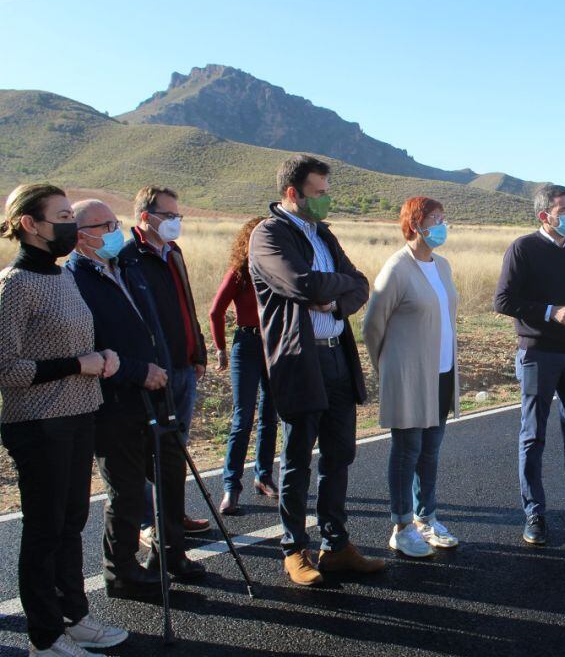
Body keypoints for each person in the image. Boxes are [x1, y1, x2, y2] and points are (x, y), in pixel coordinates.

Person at [0, 185, 126, 657]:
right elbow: (6, 367)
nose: (70, 225)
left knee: (72, 522)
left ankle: (74, 616)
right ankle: (45, 644)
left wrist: (103, 360)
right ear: (30, 224)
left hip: (78, 415)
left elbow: (77, 344)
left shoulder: (60, 276)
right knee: (45, 530)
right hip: (39, 423)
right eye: (61, 216)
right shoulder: (15, 285)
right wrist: (81, 363)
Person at [249, 154, 385, 586]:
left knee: (339, 454)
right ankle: (294, 549)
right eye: (319, 193)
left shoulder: (323, 233)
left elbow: (360, 283)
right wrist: (333, 287)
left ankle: (337, 544)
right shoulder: (268, 235)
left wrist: (336, 297)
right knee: (296, 459)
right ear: (293, 193)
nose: (327, 201)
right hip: (300, 360)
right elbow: (300, 284)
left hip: (336, 356)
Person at [69, 199, 207, 594]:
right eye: (105, 225)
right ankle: (122, 571)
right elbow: (94, 347)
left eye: (115, 222)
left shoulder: (122, 266)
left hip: (155, 388)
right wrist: (138, 372)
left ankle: (171, 552)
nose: (116, 230)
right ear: (81, 237)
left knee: (169, 472)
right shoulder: (76, 280)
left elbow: (153, 325)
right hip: (114, 402)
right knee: (127, 490)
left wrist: (164, 365)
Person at [493, 184, 565, 545]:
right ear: (545, 216)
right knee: (533, 435)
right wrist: (549, 311)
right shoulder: (523, 248)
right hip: (537, 353)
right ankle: (534, 514)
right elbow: (503, 300)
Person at [364, 197, 461, 558]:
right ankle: (402, 526)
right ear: (415, 224)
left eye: (444, 218)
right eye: (435, 219)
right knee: (408, 452)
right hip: (408, 377)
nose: (442, 225)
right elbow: (372, 326)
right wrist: (389, 367)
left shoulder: (444, 266)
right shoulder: (397, 269)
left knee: (431, 452)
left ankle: (427, 519)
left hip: (441, 374)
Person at [121, 185, 210, 539]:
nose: (176, 222)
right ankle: (150, 521)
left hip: (184, 367)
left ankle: (172, 515)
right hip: (153, 372)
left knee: (176, 448)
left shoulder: (173, 252)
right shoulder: (127, 258)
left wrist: (198, 352)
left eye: (178, 216)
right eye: (169, 216)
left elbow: (187, 305)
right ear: (146, 217)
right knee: (149, 449)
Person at [210, 218, 280, 515]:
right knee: (243, 417)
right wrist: (221, 349)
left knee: (269, 415)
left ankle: (263, 477)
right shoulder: (239, 273)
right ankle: (231, 486)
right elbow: (215, 312)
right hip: (246, 345)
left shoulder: (276, 271)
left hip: (274, 346)